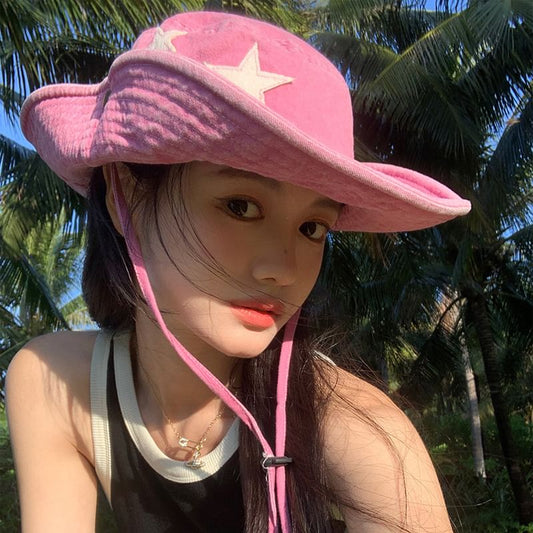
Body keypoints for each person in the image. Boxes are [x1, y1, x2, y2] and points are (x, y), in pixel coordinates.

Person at [6, 10, 471, 533]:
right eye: (241, 206)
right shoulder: (56, 384)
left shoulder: (358, 429)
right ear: (127, 199)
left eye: (313, 228)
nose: (282, 269)